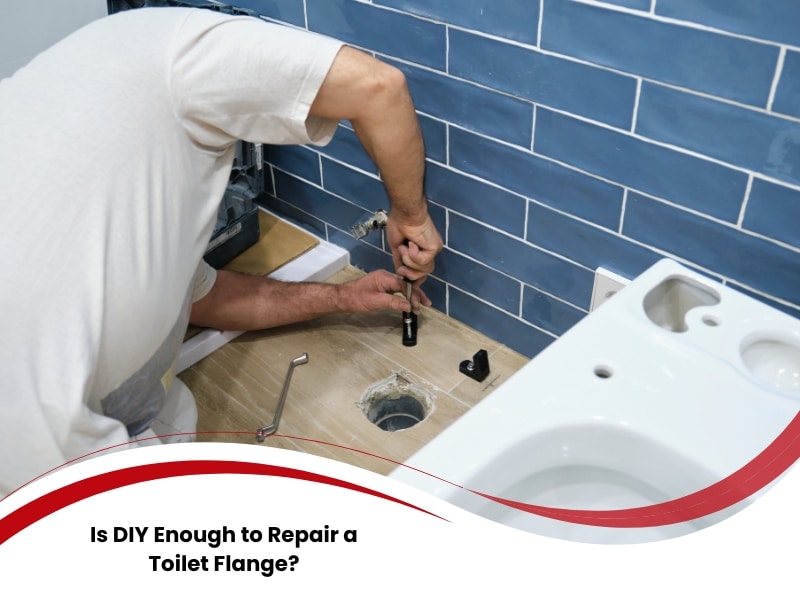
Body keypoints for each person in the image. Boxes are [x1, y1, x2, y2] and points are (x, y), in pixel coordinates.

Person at [0, 6, 443, 497]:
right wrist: (411, 214)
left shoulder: (104, 162)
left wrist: (345, 298)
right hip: (39, 455)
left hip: (80, 425)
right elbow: (376, 88)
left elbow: (205, 298)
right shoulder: (177, 56)